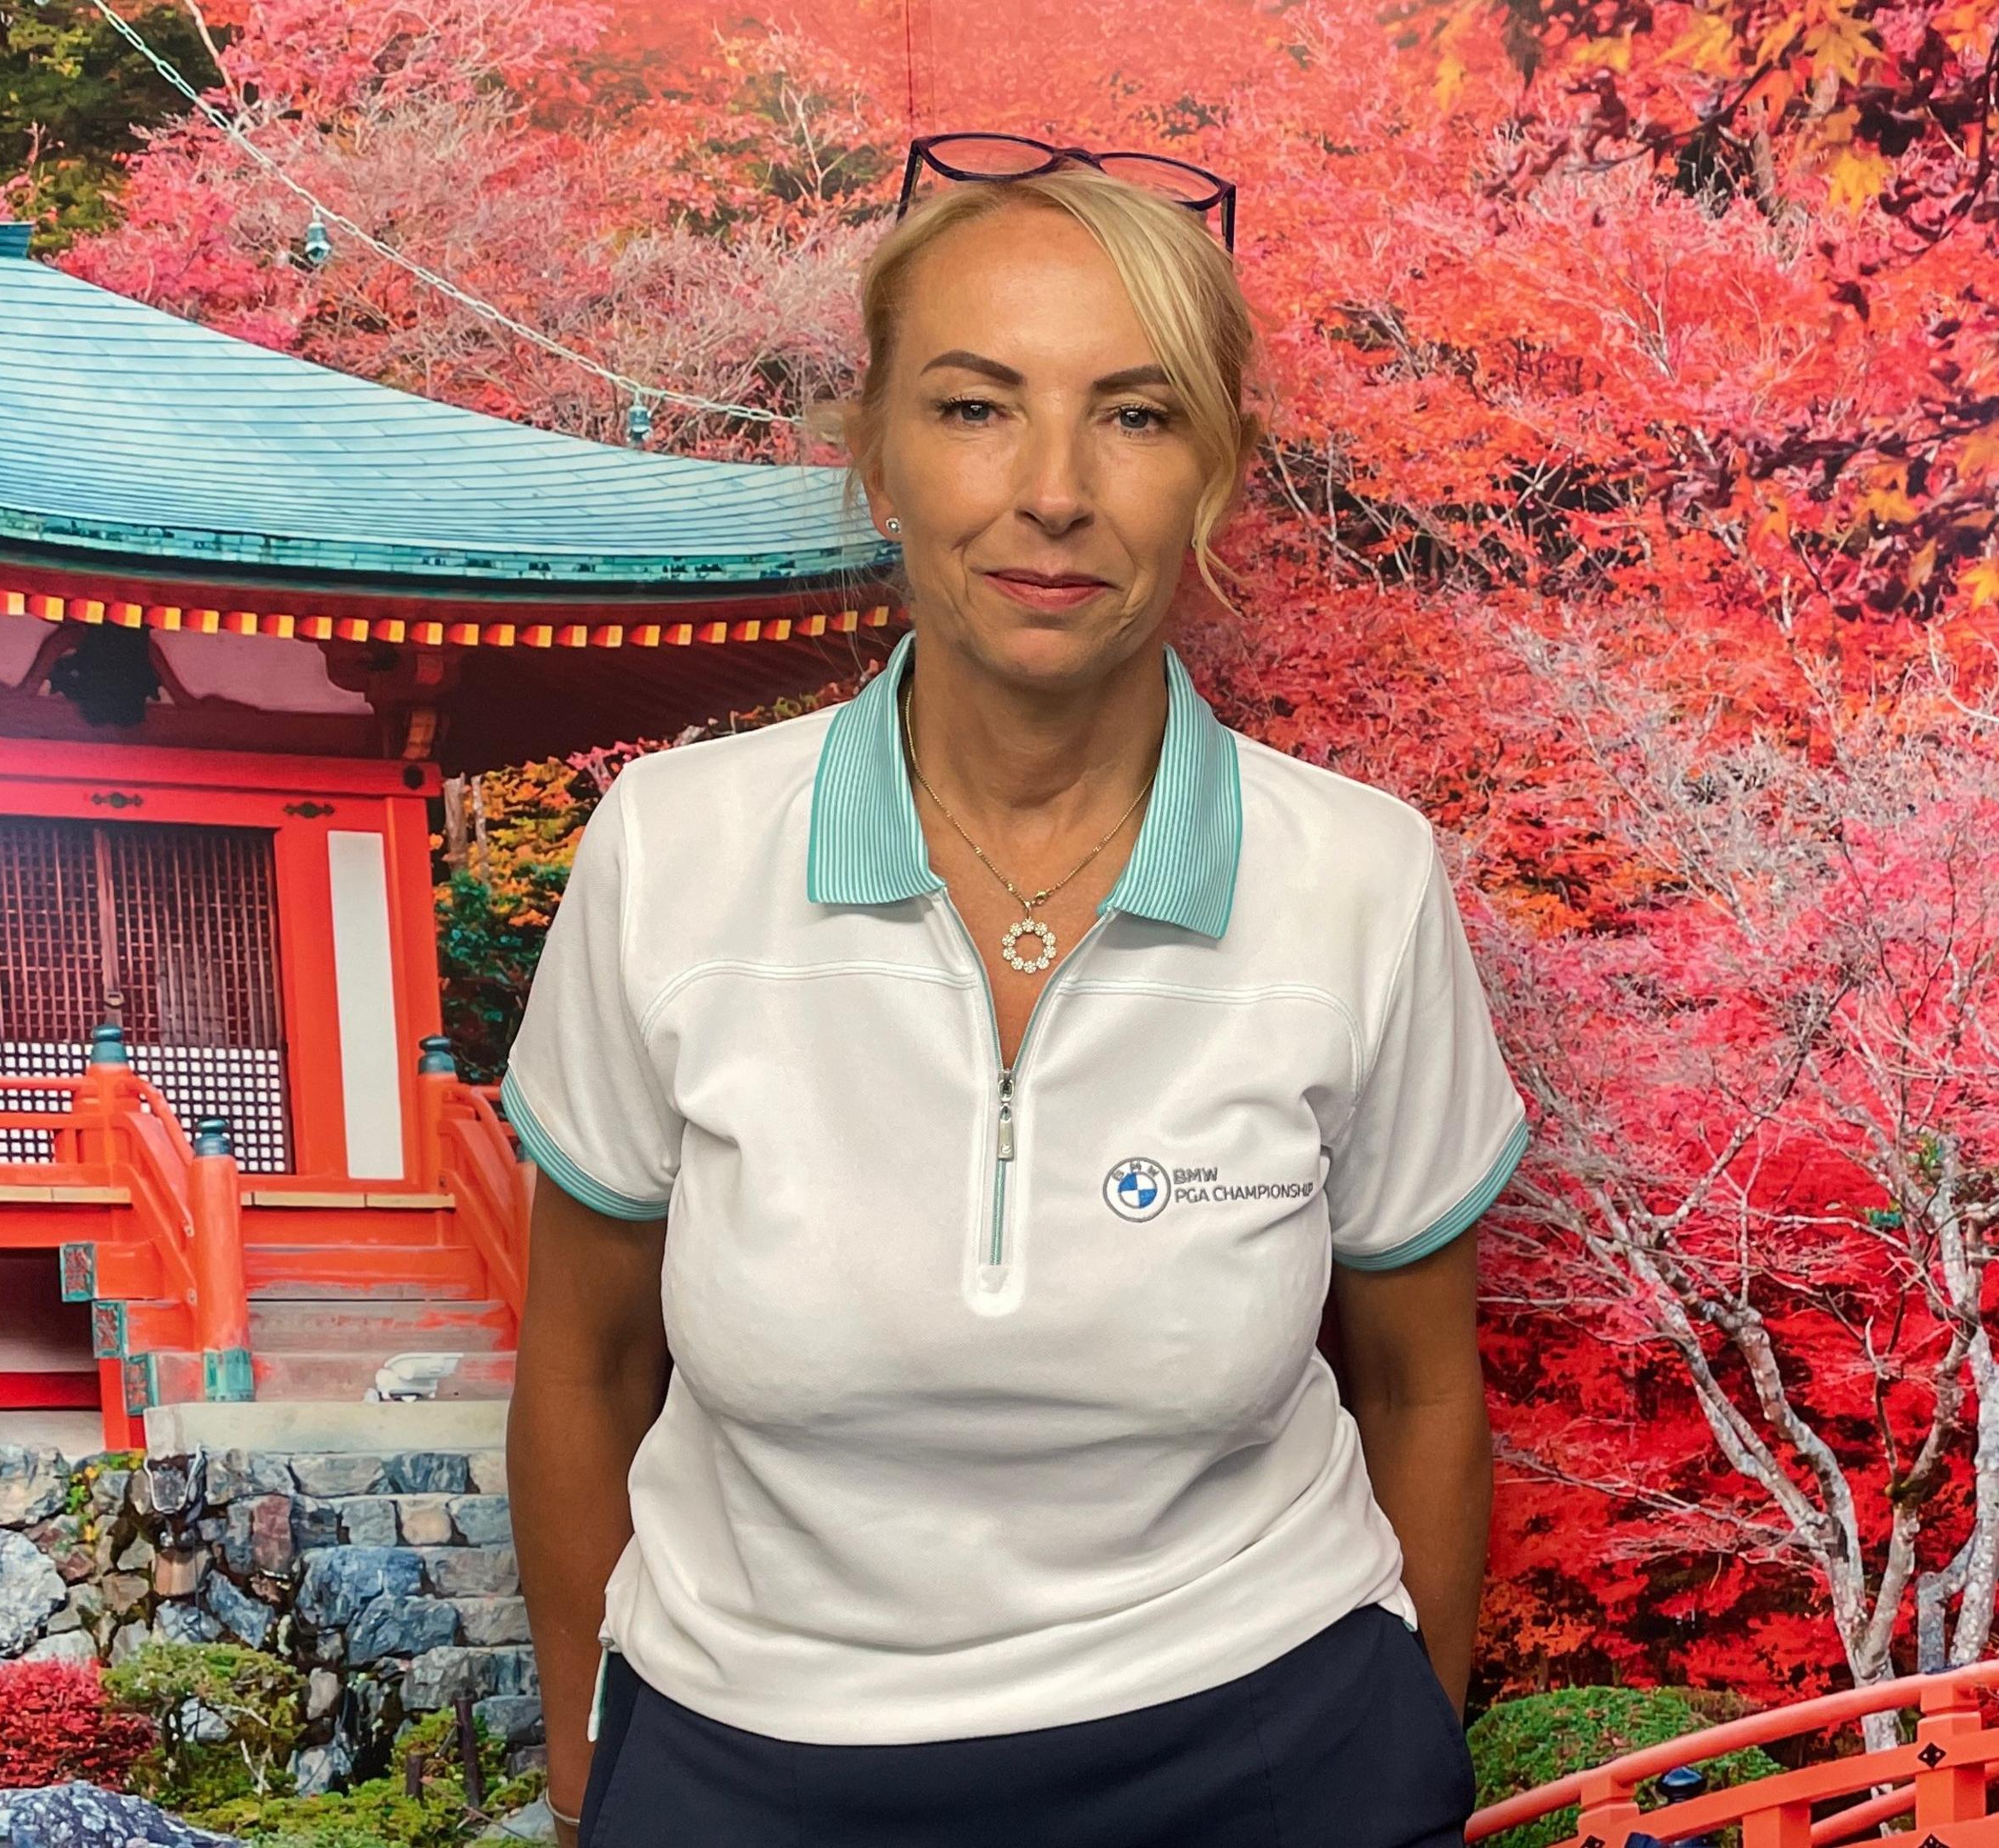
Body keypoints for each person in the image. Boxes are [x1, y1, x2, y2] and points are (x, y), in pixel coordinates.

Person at [500, 141, 1528, 1848]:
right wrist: (591, 1774)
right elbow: (584, 1364)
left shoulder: (1356, 875)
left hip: (1262, 1739)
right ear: (880, 457)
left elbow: (1425, 1390)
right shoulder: (672, 851)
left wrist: (1406, 1750)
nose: (1053, 488)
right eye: (977, 406)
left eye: (1135, 416)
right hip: (755, 1747)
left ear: (1219, 470)